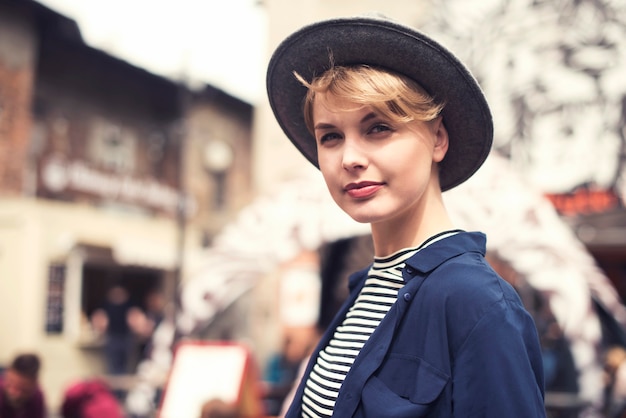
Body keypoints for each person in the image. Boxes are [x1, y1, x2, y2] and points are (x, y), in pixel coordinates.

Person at [266, 14, 546, 417]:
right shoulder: (368, 290)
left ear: (438, 138)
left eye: (378, 128)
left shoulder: (477, 304)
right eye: (330, 136)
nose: (349, 158)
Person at [0, 353, 46, 418]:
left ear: (34, 385)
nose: (14, 393)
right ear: (6, 374)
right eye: (10, 385)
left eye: (23, 390)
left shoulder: (37, 397)